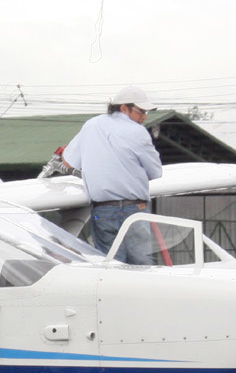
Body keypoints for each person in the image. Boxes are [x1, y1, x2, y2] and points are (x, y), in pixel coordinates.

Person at [61, 86, 164, 264]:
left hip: (103, 209)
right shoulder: (138, 132)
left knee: (111, 266)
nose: (144, 116)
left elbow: (68, 162)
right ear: (124, 108)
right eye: (141, 111)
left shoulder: (91, 125)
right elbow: (155, 172)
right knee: (141, 265)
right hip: (135, 209)